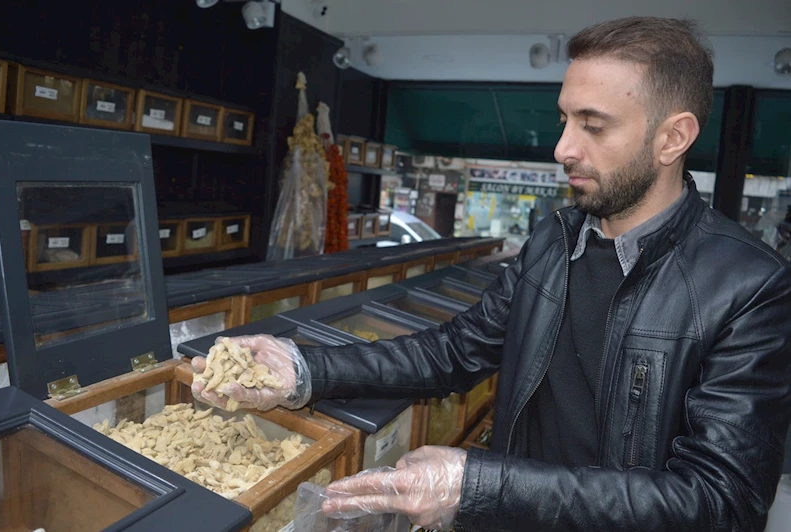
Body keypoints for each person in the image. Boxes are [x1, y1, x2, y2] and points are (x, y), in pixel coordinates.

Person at [191, 16, 791, 531]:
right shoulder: (554, 241)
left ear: (673, 137)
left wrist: (476, 486)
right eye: (564, 119)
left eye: (593, 124)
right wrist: (303, 370)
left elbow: (721, 503)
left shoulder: (747, 286)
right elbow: (451, 353)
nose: (562, 147)